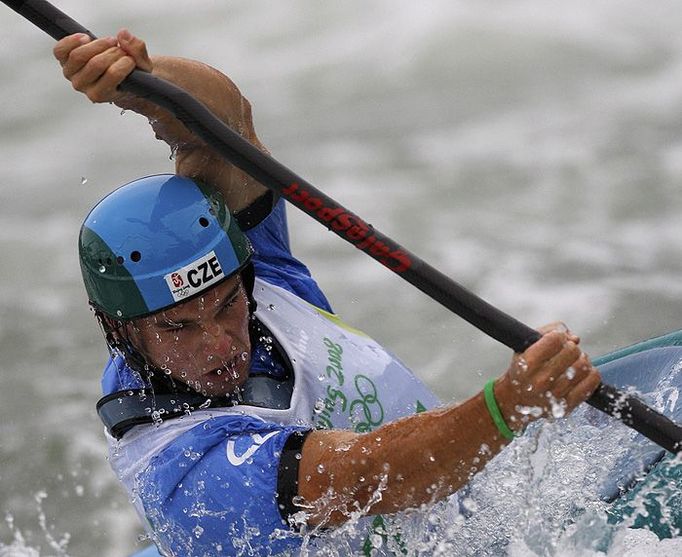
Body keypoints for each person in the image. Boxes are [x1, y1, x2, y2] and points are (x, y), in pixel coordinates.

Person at [53, 30, 602, 556]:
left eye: (226, 308)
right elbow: (374, 473)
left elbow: (224, 124)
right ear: (120, 328)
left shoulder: (249, 268)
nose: (220, 345)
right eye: (179, 328)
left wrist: (144, 83)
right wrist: (510, 403)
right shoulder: (187, 475)